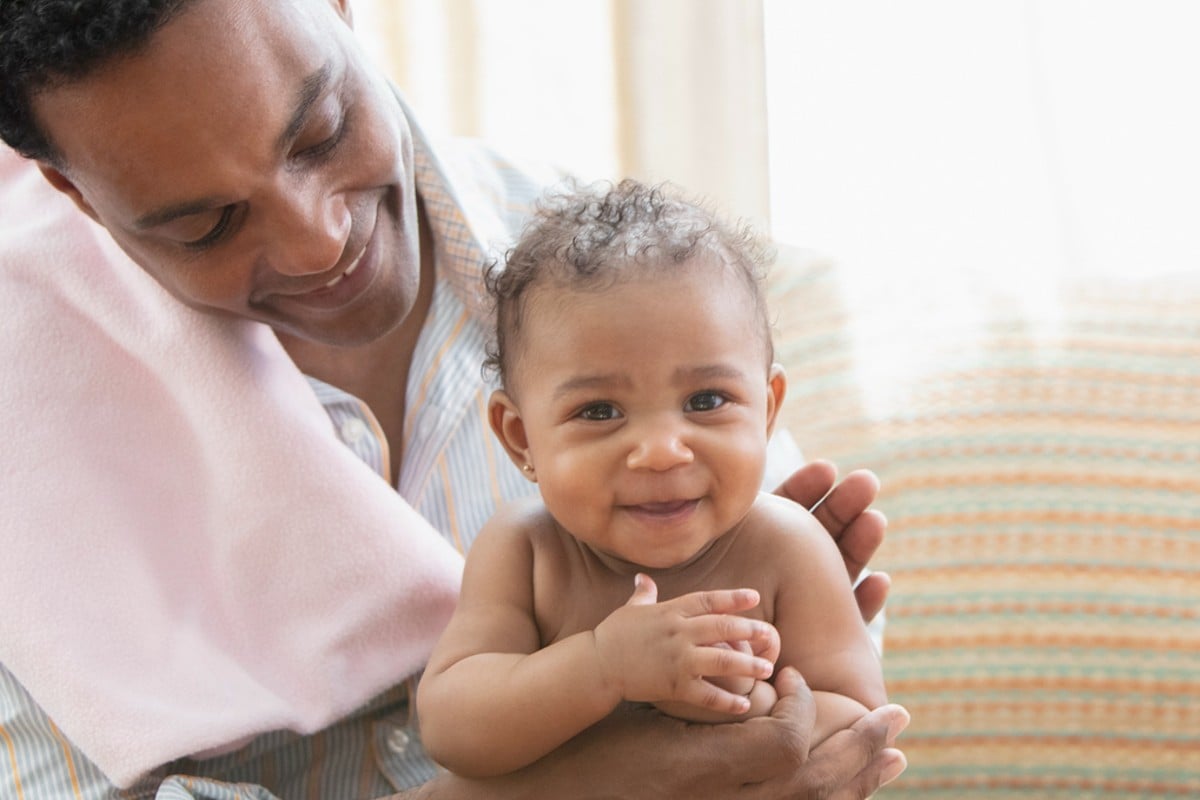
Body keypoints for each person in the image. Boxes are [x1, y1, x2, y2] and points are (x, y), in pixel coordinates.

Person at [0, 1, 907, 798]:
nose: (321, 245)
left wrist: (778, 711)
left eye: (320, 132)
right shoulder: (28, 405)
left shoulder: (628, 278)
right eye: (208, 224)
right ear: (76, 193)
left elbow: (840, 724)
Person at [417, 180, 889, 779]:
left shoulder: (787, 546)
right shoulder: (525, 550)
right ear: (521, 438)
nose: (663, 451)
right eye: (599, 411)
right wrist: (602, 666)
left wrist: (748, 709)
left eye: (707, 398)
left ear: (767, 410)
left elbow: (860, 718)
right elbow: (452, 726)